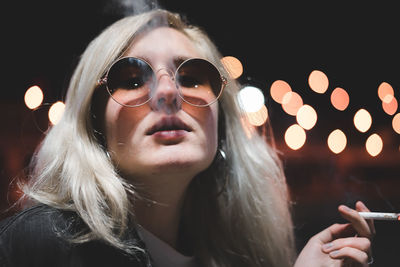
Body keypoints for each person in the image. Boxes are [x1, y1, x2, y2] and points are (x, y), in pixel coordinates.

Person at [0, 9, 374, 267]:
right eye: (132, 79)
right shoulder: (40, 245)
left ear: (221, 125)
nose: (168, 92)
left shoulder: (243, 256)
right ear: (93, 123)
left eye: (193, 76)